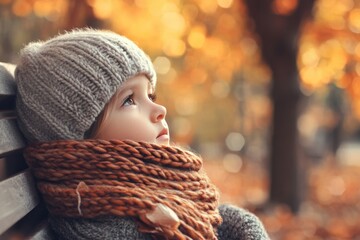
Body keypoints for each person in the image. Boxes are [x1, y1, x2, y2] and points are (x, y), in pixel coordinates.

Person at [15, 28, 269, 240]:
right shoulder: (105, 227)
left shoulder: (154, 196)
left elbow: (221, 222)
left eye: (151, 95)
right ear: (77, 142)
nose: (159, 110)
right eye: (129, 100)